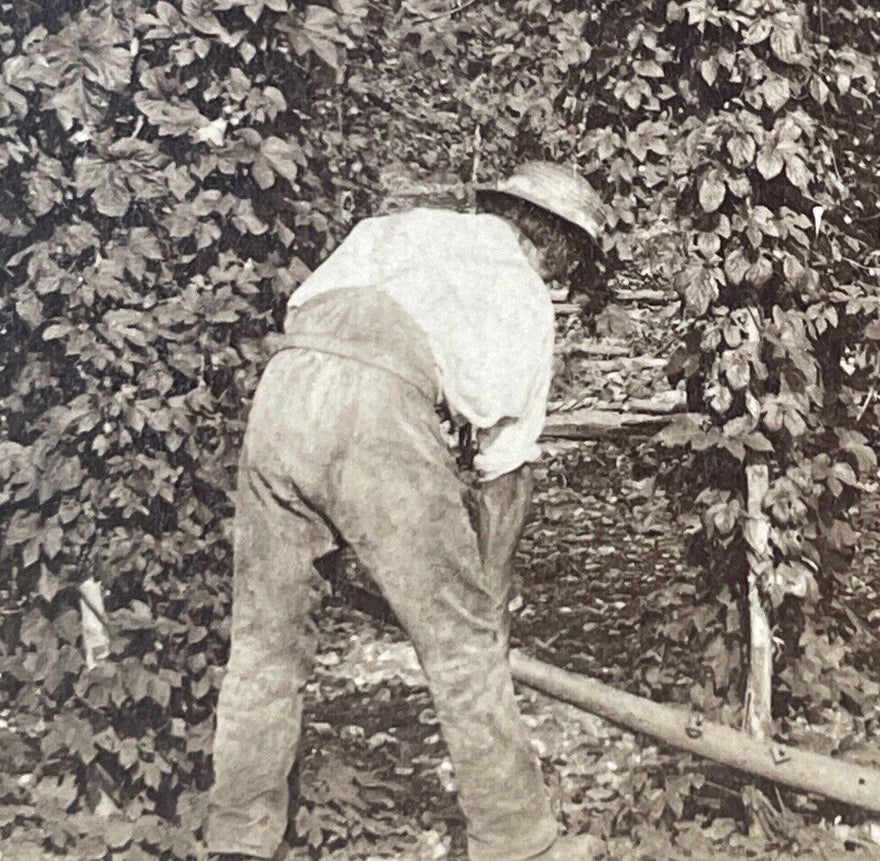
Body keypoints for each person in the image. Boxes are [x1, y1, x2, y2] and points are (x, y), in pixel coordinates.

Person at [205, 161, 609, 861]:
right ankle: (519, 842)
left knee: (265, 640)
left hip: (282, 394)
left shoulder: (395, 227)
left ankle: (238, 836)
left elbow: (310, 316)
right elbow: (505, 471)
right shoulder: (520, 289)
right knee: (463, 646)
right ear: (561, 245)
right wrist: (492, 596)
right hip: (377, 406)